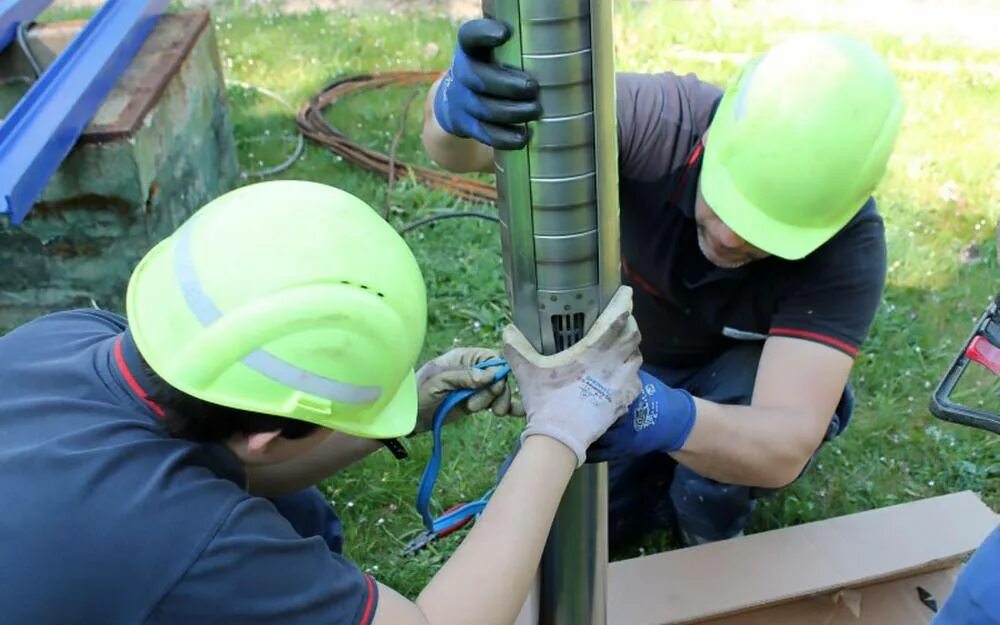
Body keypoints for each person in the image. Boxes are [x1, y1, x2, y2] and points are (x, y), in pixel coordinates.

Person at [0, 180, 643, 625]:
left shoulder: (65, 337)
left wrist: (409, 406)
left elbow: (235, 456)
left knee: (299, 513)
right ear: (265, 435)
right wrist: (559, 427)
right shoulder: (195, 542)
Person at [423, 19, 905, 546]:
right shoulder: (655, 120)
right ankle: (663, 476)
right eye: (723, 198)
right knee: (554, 528)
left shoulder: (848, 249)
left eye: (761, 232)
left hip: (734, 381)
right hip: (630, 356)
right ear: (711, 139)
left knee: (723, 463)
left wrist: (664, 416)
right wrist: (458, 106)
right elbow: (456, 152)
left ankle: (707, 532)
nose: (725, 236)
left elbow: (785, 442)